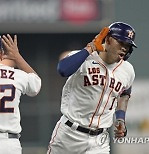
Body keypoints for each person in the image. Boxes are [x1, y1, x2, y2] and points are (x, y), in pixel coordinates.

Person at [47, 22, 137, 154]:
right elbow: (63, 70)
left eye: (128, 45)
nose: (124, 48)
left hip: (99, 140)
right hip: (69, 134)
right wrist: (90, 48)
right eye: (121, 42)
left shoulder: (127, 70)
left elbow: (124, 94)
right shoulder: (83, 58)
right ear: (108, 39)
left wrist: (120, 118)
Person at [0, 34, 41, 154]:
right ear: (2, 54)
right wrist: (17, 57)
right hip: (9, 144)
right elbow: (36, 85)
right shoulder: (17, 75)